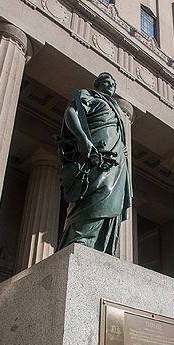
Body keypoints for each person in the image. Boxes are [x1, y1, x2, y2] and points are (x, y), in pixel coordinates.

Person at [55, 72, 132, 255]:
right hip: (95, 154)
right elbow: (71, 112)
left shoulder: (116, 107)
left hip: (116, 161)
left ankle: (101, 246)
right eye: (106, 81)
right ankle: (80, 239)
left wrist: (122, 148)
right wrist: (82, 138)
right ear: (96, 83)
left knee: (112, 198)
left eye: (113, 83)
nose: (111, 85)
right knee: (95, 192)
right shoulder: (88, 95)